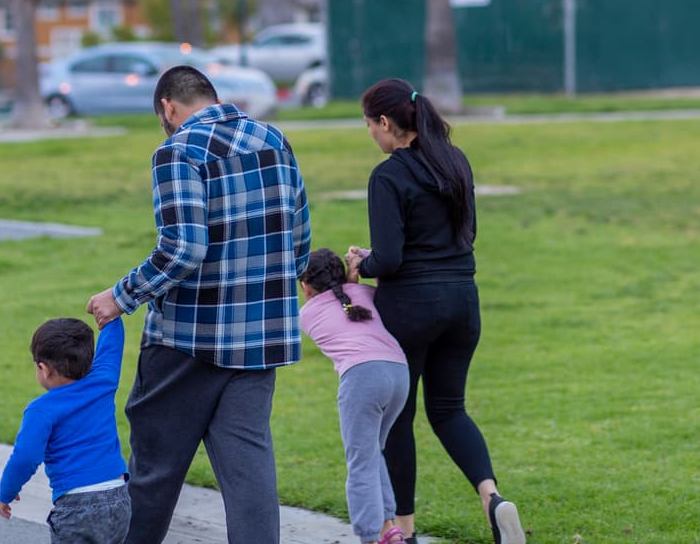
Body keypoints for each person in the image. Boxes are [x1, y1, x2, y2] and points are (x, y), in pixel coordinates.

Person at [86, 65, 310, 544]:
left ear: (168, 107)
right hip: (260, 337)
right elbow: (299, 241)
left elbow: (184, 248)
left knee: (154, 470)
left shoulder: (177, 151)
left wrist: (120, 297)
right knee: (248, 471)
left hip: (186, 340)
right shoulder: (274, 140)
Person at [345, 78, 524, 544]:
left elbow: (391, 259)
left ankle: (404, 529)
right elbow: (468, 234)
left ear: (386, 122)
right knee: (449, 410)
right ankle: (492, 498)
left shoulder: (387, 176)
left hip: (410, 308)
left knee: (398, 419)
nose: (370, 134)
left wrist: (361, 263)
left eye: (369, 125)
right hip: (463, 301)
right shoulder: (455, 162)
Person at [299, 248, 410, 544]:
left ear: (305, 286)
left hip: (362, 378)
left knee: (360, 461)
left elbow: (337, 304)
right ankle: (389, 530)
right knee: (372, 452)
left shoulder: (307, 314)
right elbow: (352, 297)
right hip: (399, 373)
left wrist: (349, 280)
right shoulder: (365, 293)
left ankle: (369, 537)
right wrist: (357, 265)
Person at [0, 316, 130, 544]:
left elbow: (25, 457)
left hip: (77, 507)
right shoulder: (103, 382)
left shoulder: (41, 410)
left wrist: (7, 492)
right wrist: (111, 315)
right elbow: (112, 346)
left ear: (44, 369)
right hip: (119, 499)